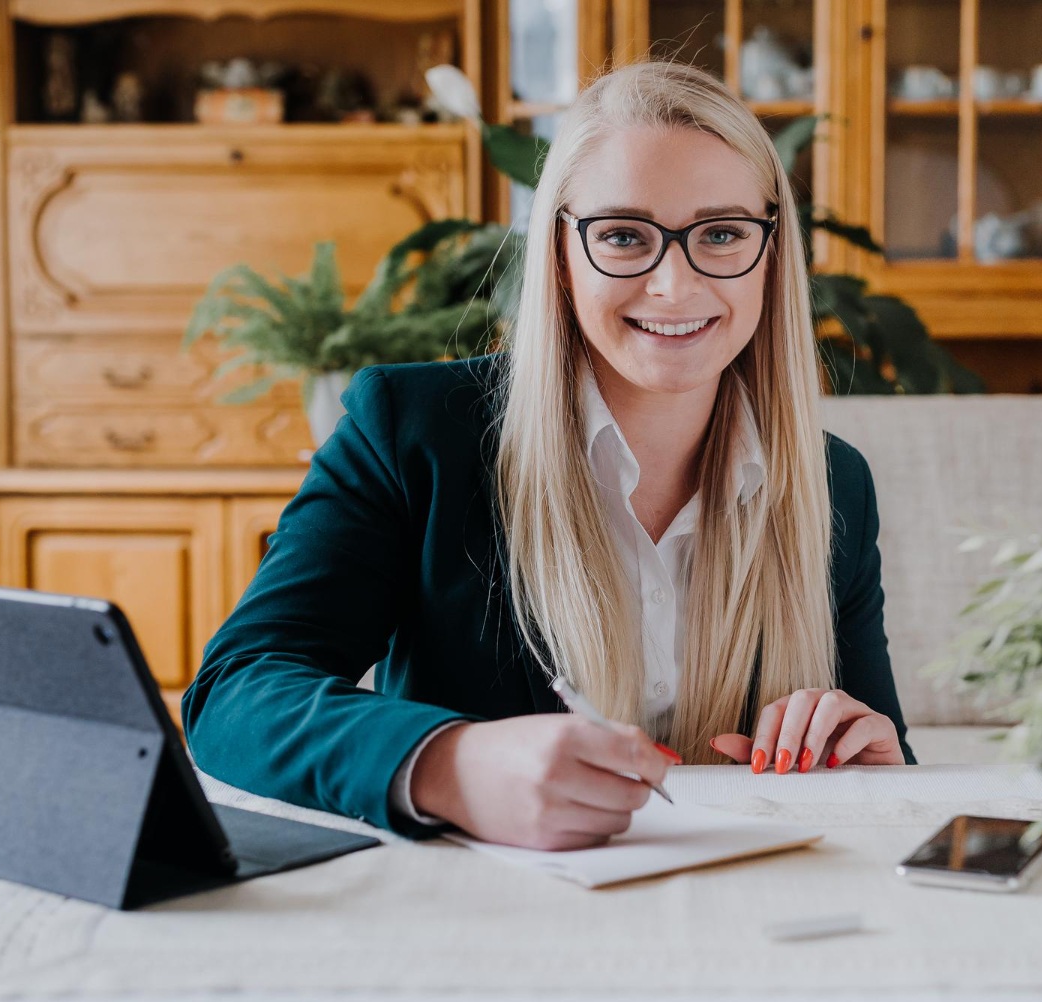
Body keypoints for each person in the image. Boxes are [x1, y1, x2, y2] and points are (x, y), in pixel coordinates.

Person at [182, 60, 915, 853]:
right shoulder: (413, 430)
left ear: (772, 252)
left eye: (724, 233)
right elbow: (236, 690)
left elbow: (876, 753)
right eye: (625, 236)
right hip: (490, 923)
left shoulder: (834, 482)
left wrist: (875, 759)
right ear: (562, 253)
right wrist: (451, 763)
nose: (675, 284)